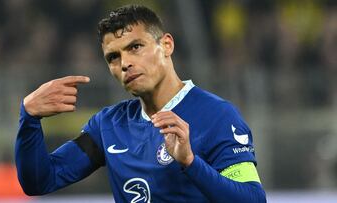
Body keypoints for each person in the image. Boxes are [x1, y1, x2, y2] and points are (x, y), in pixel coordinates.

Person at [15, 4, 266, 202]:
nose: (124, 63)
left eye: (135, 47)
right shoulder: (109, 126)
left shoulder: (217, 115)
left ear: (166, 45)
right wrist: (29, 117)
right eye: (113, 57)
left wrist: (191, 162)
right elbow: (41, 180)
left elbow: (253, 199)